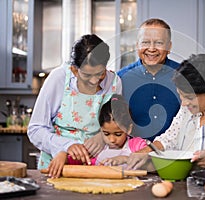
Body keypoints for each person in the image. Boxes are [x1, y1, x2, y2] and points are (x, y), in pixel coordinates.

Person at [27, 34, 122, 178]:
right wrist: (66, 146)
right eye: (87, 75)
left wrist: (102, 136)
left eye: (100, 74)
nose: (94, 81)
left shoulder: (114, 82)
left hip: (96, 166)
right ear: (74, 70)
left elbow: (117, 125)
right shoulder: (58, 78)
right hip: (58, 167)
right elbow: (35, 129)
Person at [117, 18, 180, 141]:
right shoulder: (121, 79)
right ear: (137, 45)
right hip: (134, 153)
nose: (151, 48)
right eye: (145, 42)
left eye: (159, 43)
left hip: (175, 152)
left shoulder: (184, 75)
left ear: (169, 46)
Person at [67, 94, 148, 167]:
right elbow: (73, 160)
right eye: (106, 134)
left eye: (118, 134)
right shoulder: (97, 149)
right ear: (100, 129)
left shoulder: (136, 145)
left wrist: (125, 159)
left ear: (129, 129)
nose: (112, 140)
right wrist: (64, 155)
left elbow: (150, 161)